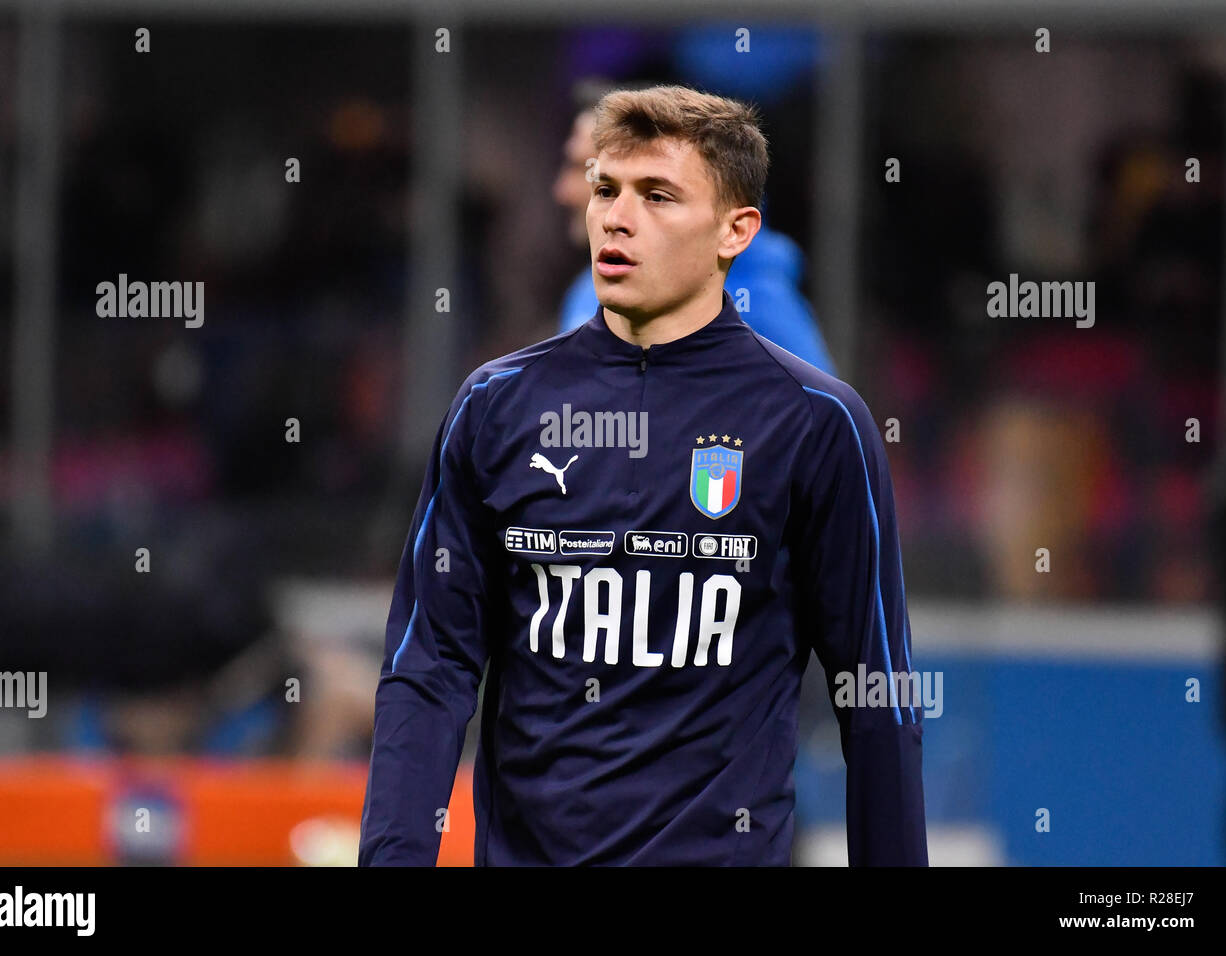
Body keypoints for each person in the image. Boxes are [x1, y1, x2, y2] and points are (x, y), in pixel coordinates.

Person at [359, 84, 926, 866]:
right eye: (606, 189)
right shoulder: (495, 406)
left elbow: (877, 692)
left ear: (737, 232)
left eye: (658, 196)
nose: (617, 218)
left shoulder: (816, 422)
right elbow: (429, 667)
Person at [551, 81, 836, 373]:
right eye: (606, 188)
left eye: (656, 195)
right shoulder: (588, 290)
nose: (563, 191)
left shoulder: (761, 306)